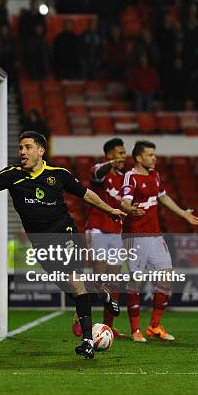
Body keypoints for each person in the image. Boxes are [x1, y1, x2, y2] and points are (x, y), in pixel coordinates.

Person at [0, 131, 126, 359]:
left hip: (66, 234)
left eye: (27, 147)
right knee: (69, 289)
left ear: (40, 151)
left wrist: (110, 209)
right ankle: (103, 296)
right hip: (41, 243)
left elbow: (86, 194)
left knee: (74, 282)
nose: (22, 152)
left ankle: (87, 341)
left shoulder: (58, 175)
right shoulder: (13, 175)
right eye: (20, 147)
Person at [120, 141, 198, 343]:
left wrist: (183, 213)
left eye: (154, 154)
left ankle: (154, 326)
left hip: (155, 235)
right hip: (135, 236)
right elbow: (125, 201)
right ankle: (135, 330)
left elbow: (163, 198)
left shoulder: (155, 176)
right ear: (139, 158)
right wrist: (130, 209)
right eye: (150, 155)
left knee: (166, 277)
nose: (154, 158)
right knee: (135, 282)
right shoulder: (131, 176)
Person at [72, 138, 132, 339]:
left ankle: (108, 326)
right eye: (120, 153)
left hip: (116, 232)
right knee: (99, 278)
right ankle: (78, 315)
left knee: (114, 280)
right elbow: (96, 173)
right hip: (97, 229)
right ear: (109, 155)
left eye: (124, 153)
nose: (124, 156)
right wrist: (110, 165)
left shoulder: (124, 178)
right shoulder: (100, 171)